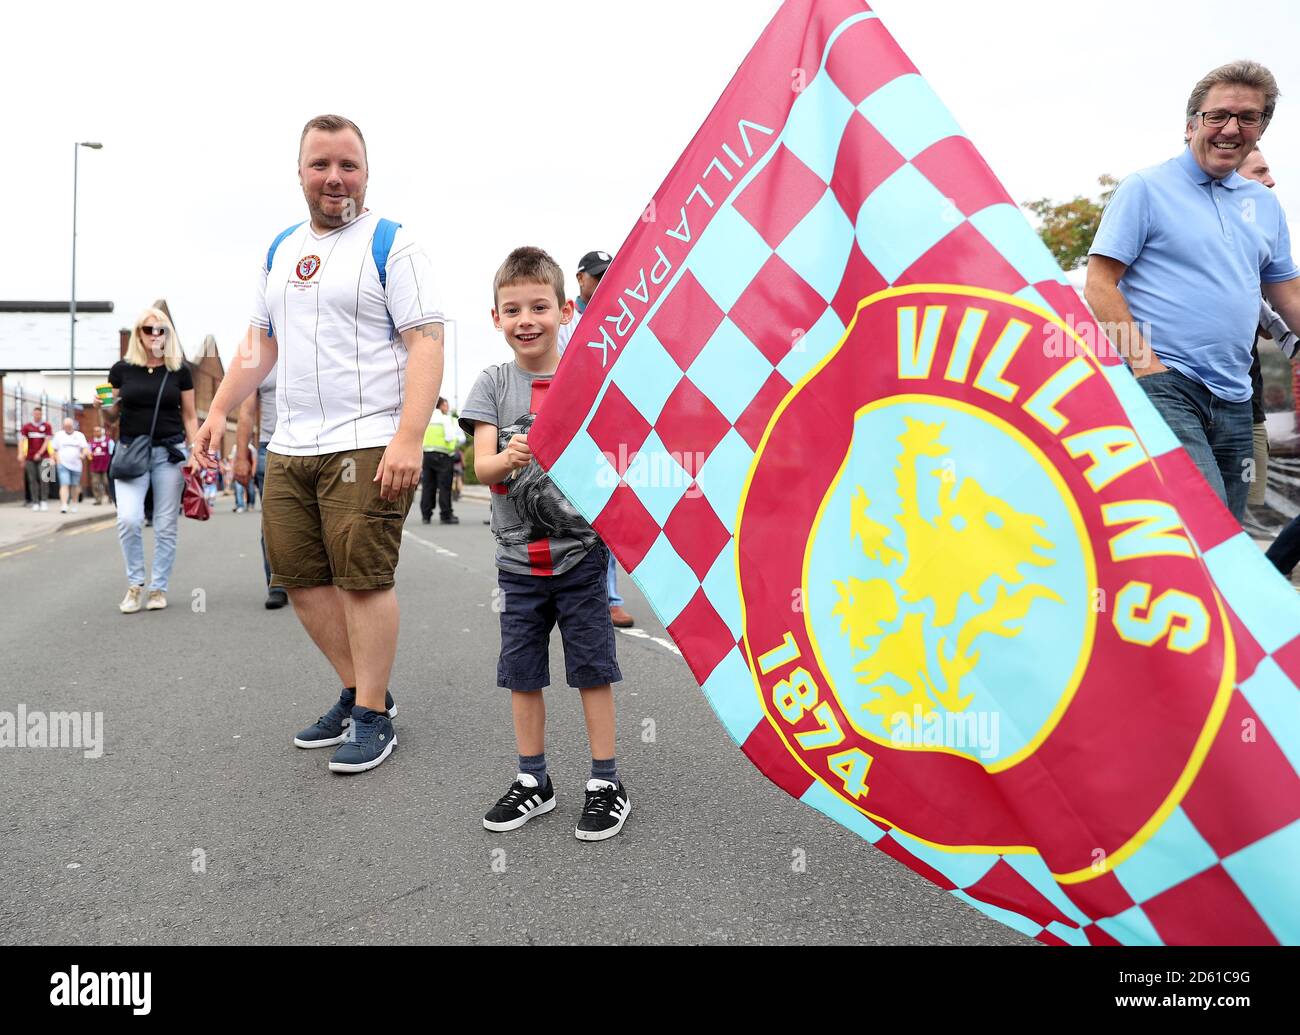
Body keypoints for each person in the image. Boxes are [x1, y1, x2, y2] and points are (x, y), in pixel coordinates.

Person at [193, 113, 444, 775]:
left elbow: (427, 342)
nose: (335, 178)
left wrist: (410, 437)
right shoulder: (279, 249)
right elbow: (260, 343)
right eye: (321, 164)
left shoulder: (393, 243)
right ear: (300, 172)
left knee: (362, 581)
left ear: (366, 171)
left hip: (367, 441)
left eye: (348, 165)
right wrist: (218, 410)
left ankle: (370, 715)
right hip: (291, 445)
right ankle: (367, 692)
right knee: (300, 579)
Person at [462, 246, 631, 841]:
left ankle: (606, 781)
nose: (526, 319)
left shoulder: (585, 380)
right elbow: (481, 466)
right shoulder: (491, 383)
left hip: (581, 560)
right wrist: (507, 456)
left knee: (592, 670)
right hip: (518, 566)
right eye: (513, 309)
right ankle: (533, 779)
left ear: (565, 309)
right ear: (495, 317)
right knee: (523, 673)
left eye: (539, 306)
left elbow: (613, 462)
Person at [1086, 60, 1300, 521]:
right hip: (1168, 386)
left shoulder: (1263, 204)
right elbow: (1099, 284)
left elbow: (1289, 298)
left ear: (1260, 129)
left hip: (1237, 397)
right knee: (1200, 524)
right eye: (1217, 116)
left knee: (1229, 533)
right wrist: (1147, 367)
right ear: (1190, 125)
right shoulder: (1145, 188)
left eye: (1248, 118)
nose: (1231, 128)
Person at [98, 307, 199, 613]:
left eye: (161, 330)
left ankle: (158, 588)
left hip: (169, 454)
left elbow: (190, 416)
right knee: (128, 519)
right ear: (138, 334)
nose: (155, 335)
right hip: (131, 453)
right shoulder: (122, 369)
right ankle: (135, 585)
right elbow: (111, 417)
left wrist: (195, 451)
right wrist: (103, 406)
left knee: (166, 524)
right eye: (148, 329)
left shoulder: (179, 370)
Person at [557, 250, 636, 628]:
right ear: (580, 279)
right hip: (570, 432)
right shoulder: (564, 319)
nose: (604, 282)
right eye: (597, 276)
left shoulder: (621, 316)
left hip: (609, 430)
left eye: (609, 275)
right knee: (566, 515)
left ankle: (610, 598)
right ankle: (563, 592)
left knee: (607, 515)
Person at [235, 360, 285, 608]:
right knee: (273, 523)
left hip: (316, 445)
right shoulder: (262, 359)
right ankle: (277, 584)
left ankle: (315, 579)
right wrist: (241, 457)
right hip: (271, 448)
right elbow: (246, 412)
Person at [420, 396, 463, 524]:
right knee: (444, 486)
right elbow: (450, 437)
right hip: (443, 456)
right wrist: (455, 445)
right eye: (446, 404)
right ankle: (446, 515)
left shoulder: (426, 418)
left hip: (427, 455)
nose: (447, 407)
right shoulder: (445, 419)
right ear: (441, 405)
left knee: (428, 486)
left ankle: (426, 515)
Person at [51, 418, 90, 513]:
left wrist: (83, 454)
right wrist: (55, 459)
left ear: (73, 426)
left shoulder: (79, 435)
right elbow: (54, 449)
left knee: (74, 485)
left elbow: (85, 448)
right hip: (63, 464)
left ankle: (74, 503)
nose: (67, 427)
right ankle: (64, 505)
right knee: (64, 484)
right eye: (66, 426)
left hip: (76, 465)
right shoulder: (59, 435)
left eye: (69, 426)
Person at [19, 406, 53, 511]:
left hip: (44, 457)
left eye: (39, 414)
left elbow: (47, 441)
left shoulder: (47, 426)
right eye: (35, 414)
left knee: (45, 479)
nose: (37, 416)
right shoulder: (26, 427)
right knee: (32, 480)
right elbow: (22, 441)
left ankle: (44, 501)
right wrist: (20, 454)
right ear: (33, 414)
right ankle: (35, 502)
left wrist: (39, 453)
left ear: (41, 415)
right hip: (29, 457)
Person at [89, 426, 112, 506]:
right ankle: (98, 499)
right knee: (95, 483)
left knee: (107, 483)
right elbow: (89, 452)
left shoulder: (108, 441)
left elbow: (112, 452)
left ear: (102, 432)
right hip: (95, 466)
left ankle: (111, 497)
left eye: (98, 431)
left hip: (106, 466)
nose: (96, 432)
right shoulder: (91, 442)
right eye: (95, 431)